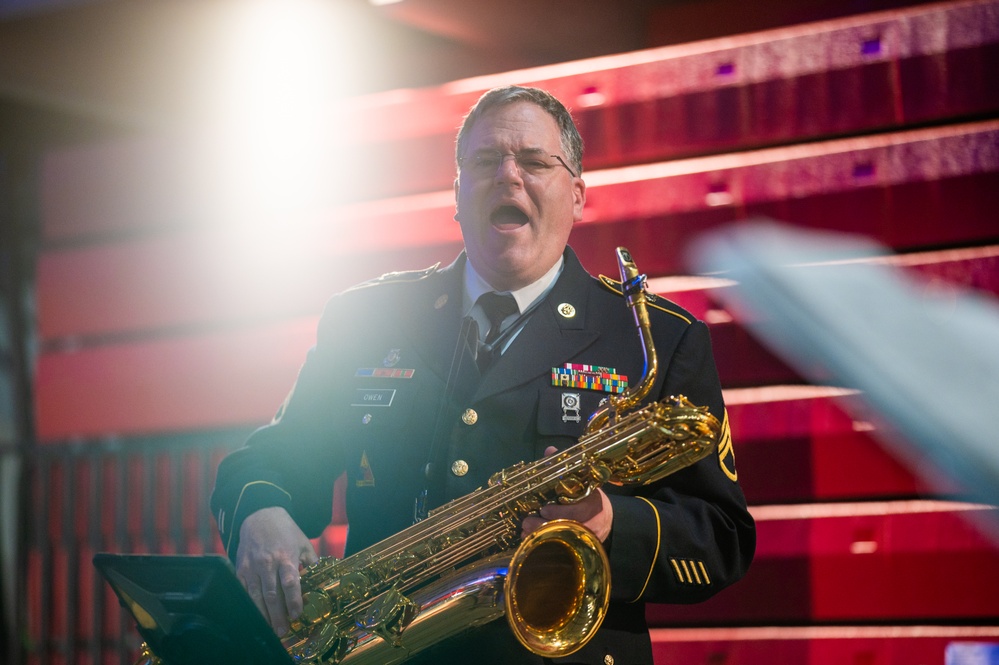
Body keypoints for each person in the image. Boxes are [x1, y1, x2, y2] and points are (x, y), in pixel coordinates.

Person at [210, 85, 756, 665]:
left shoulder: (655, 338)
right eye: (485, 161)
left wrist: (609, 522)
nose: (509, 175)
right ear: (457, 193)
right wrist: (260, 512)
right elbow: (267, 462)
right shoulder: (368, 320)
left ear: (577, 195)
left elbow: (721, 538)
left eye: (536, 161)